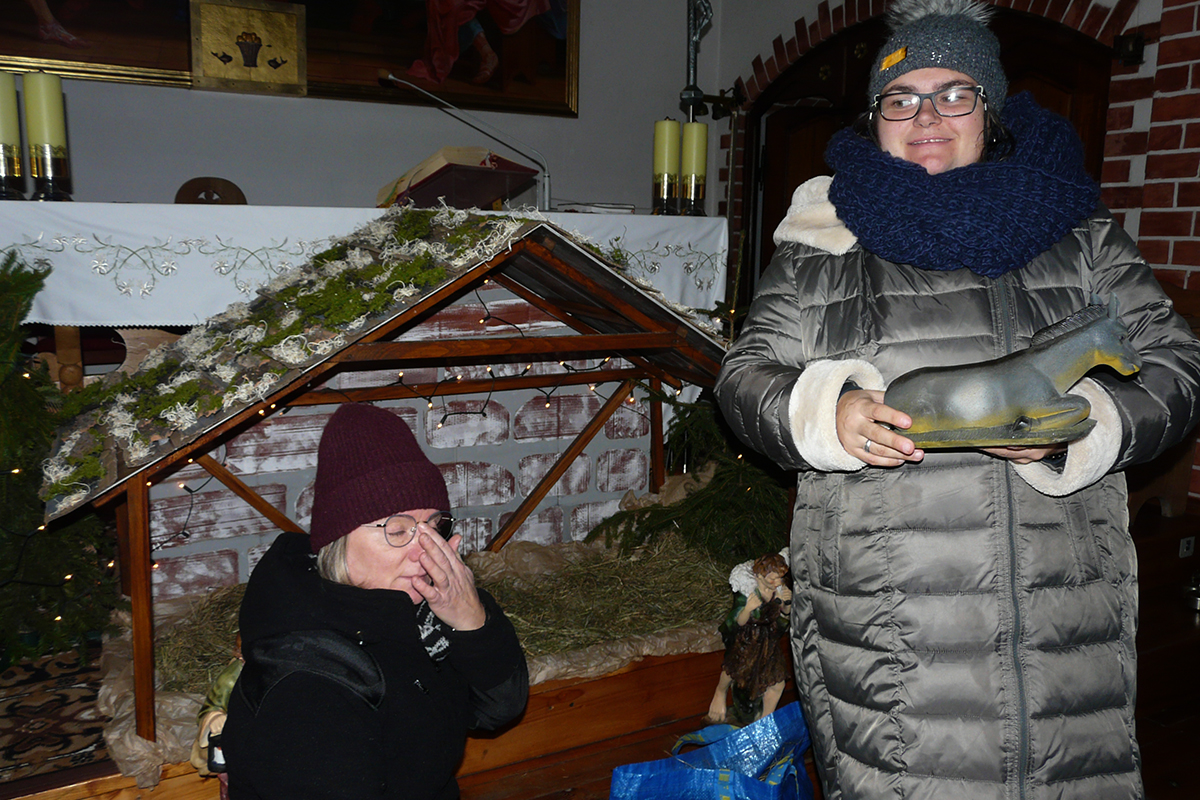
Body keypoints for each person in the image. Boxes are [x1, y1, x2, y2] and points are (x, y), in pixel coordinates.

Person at [714, 0, 1200, 797]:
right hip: (890, 634)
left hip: (1063, 623)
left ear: (991, 109)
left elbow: (1176, 364)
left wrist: (1080, 431)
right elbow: (744, 376)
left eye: (954, 94)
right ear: (876, 118)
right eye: (902, 98)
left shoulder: (1078, 233)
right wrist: (827, 412)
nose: (927, 116)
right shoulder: (821, 245)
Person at [221, 403, 528, 800]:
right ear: (339, 539)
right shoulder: (308, 682)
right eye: (398, 530)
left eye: (434, 526)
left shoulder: (420, 608)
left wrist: (472, 624)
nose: (425, 551)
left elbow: (499, 708)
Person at [705, 552, 792, 726]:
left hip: (768, 641)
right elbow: (737, 621)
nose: (777, 582)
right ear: (760, 576)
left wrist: (787, 603)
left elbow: (785, 616)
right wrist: (748, 609)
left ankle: (764, 720)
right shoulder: (748, 591)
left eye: (780, 578)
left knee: (778, 683)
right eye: (773, 579)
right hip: (749, 638)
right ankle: (720, 692)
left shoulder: (778, 590)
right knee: (735, 668)